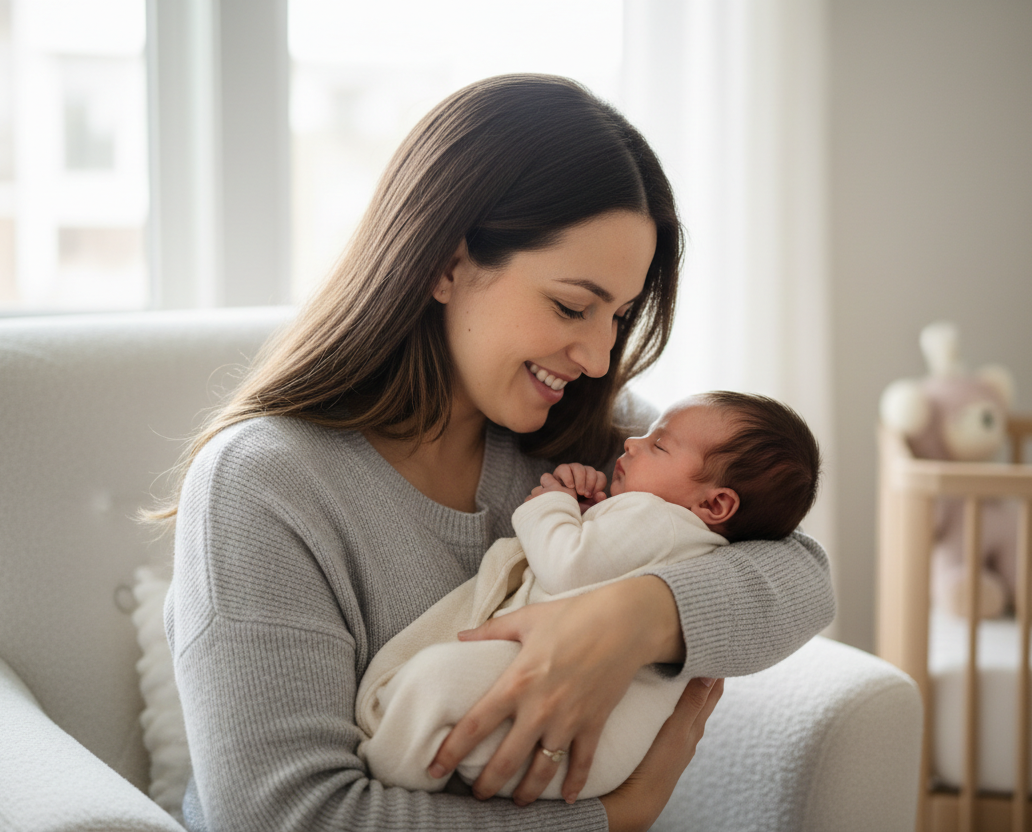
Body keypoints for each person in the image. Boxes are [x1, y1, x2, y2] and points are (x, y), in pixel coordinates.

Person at [158, 74, 835, 832]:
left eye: (619, 315)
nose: (599, 358)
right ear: (446, 264)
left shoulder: (588, 437)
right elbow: (289, 815)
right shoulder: (265, 484)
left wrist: (637, 616)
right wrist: (614, 817)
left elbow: (803, 574)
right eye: (572, 306)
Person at [355, 392, 821, 801]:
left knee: (436, 682)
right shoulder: (690, 534)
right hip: (600, 753)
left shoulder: (656, 517)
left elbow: (566, 567)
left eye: (658, 444)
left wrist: (551, 503)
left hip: (562, 728)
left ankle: (388, 771)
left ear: (716, 504)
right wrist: (590, 518)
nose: (632, 442)